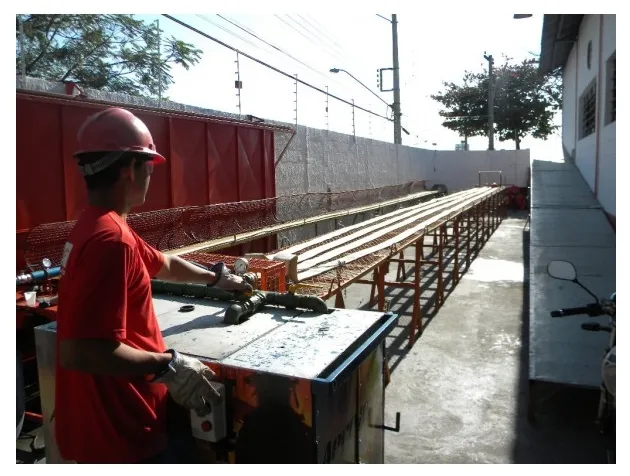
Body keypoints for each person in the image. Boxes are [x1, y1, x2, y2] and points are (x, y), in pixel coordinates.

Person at [54, 107, 252, 464]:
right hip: (119, 433)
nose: (151, 176)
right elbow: (79, 351)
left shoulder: (97, 225)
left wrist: (218, 278)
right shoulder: (111, 241)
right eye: (149, 166)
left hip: (95, 424)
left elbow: (164, 264)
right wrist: (168, 365)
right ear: (130, 169)